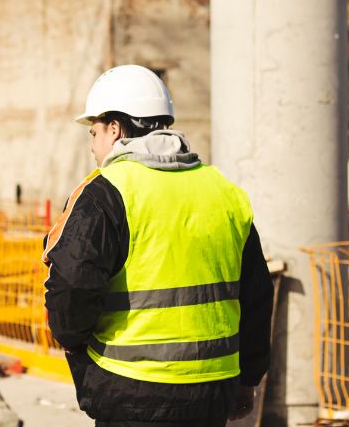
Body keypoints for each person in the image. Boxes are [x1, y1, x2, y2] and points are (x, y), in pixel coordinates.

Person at [42, 65, 273, 426]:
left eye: (94, 133)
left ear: (114, 129)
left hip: (130, 392)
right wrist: (248, 378)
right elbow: (257, 296)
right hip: (213, 391)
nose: (92, 147)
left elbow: (70, 291)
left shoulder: (106, 193)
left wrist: (78, 353)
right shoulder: (224, 192)